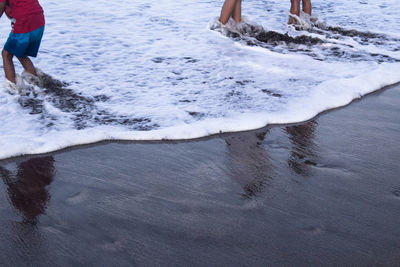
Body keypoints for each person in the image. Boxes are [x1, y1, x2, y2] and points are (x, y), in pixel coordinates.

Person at [0, 0, 45, 90]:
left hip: (24, 23)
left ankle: (11, 89)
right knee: (20, 52)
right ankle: (34, 82)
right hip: (39, 20)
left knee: (6, 54)